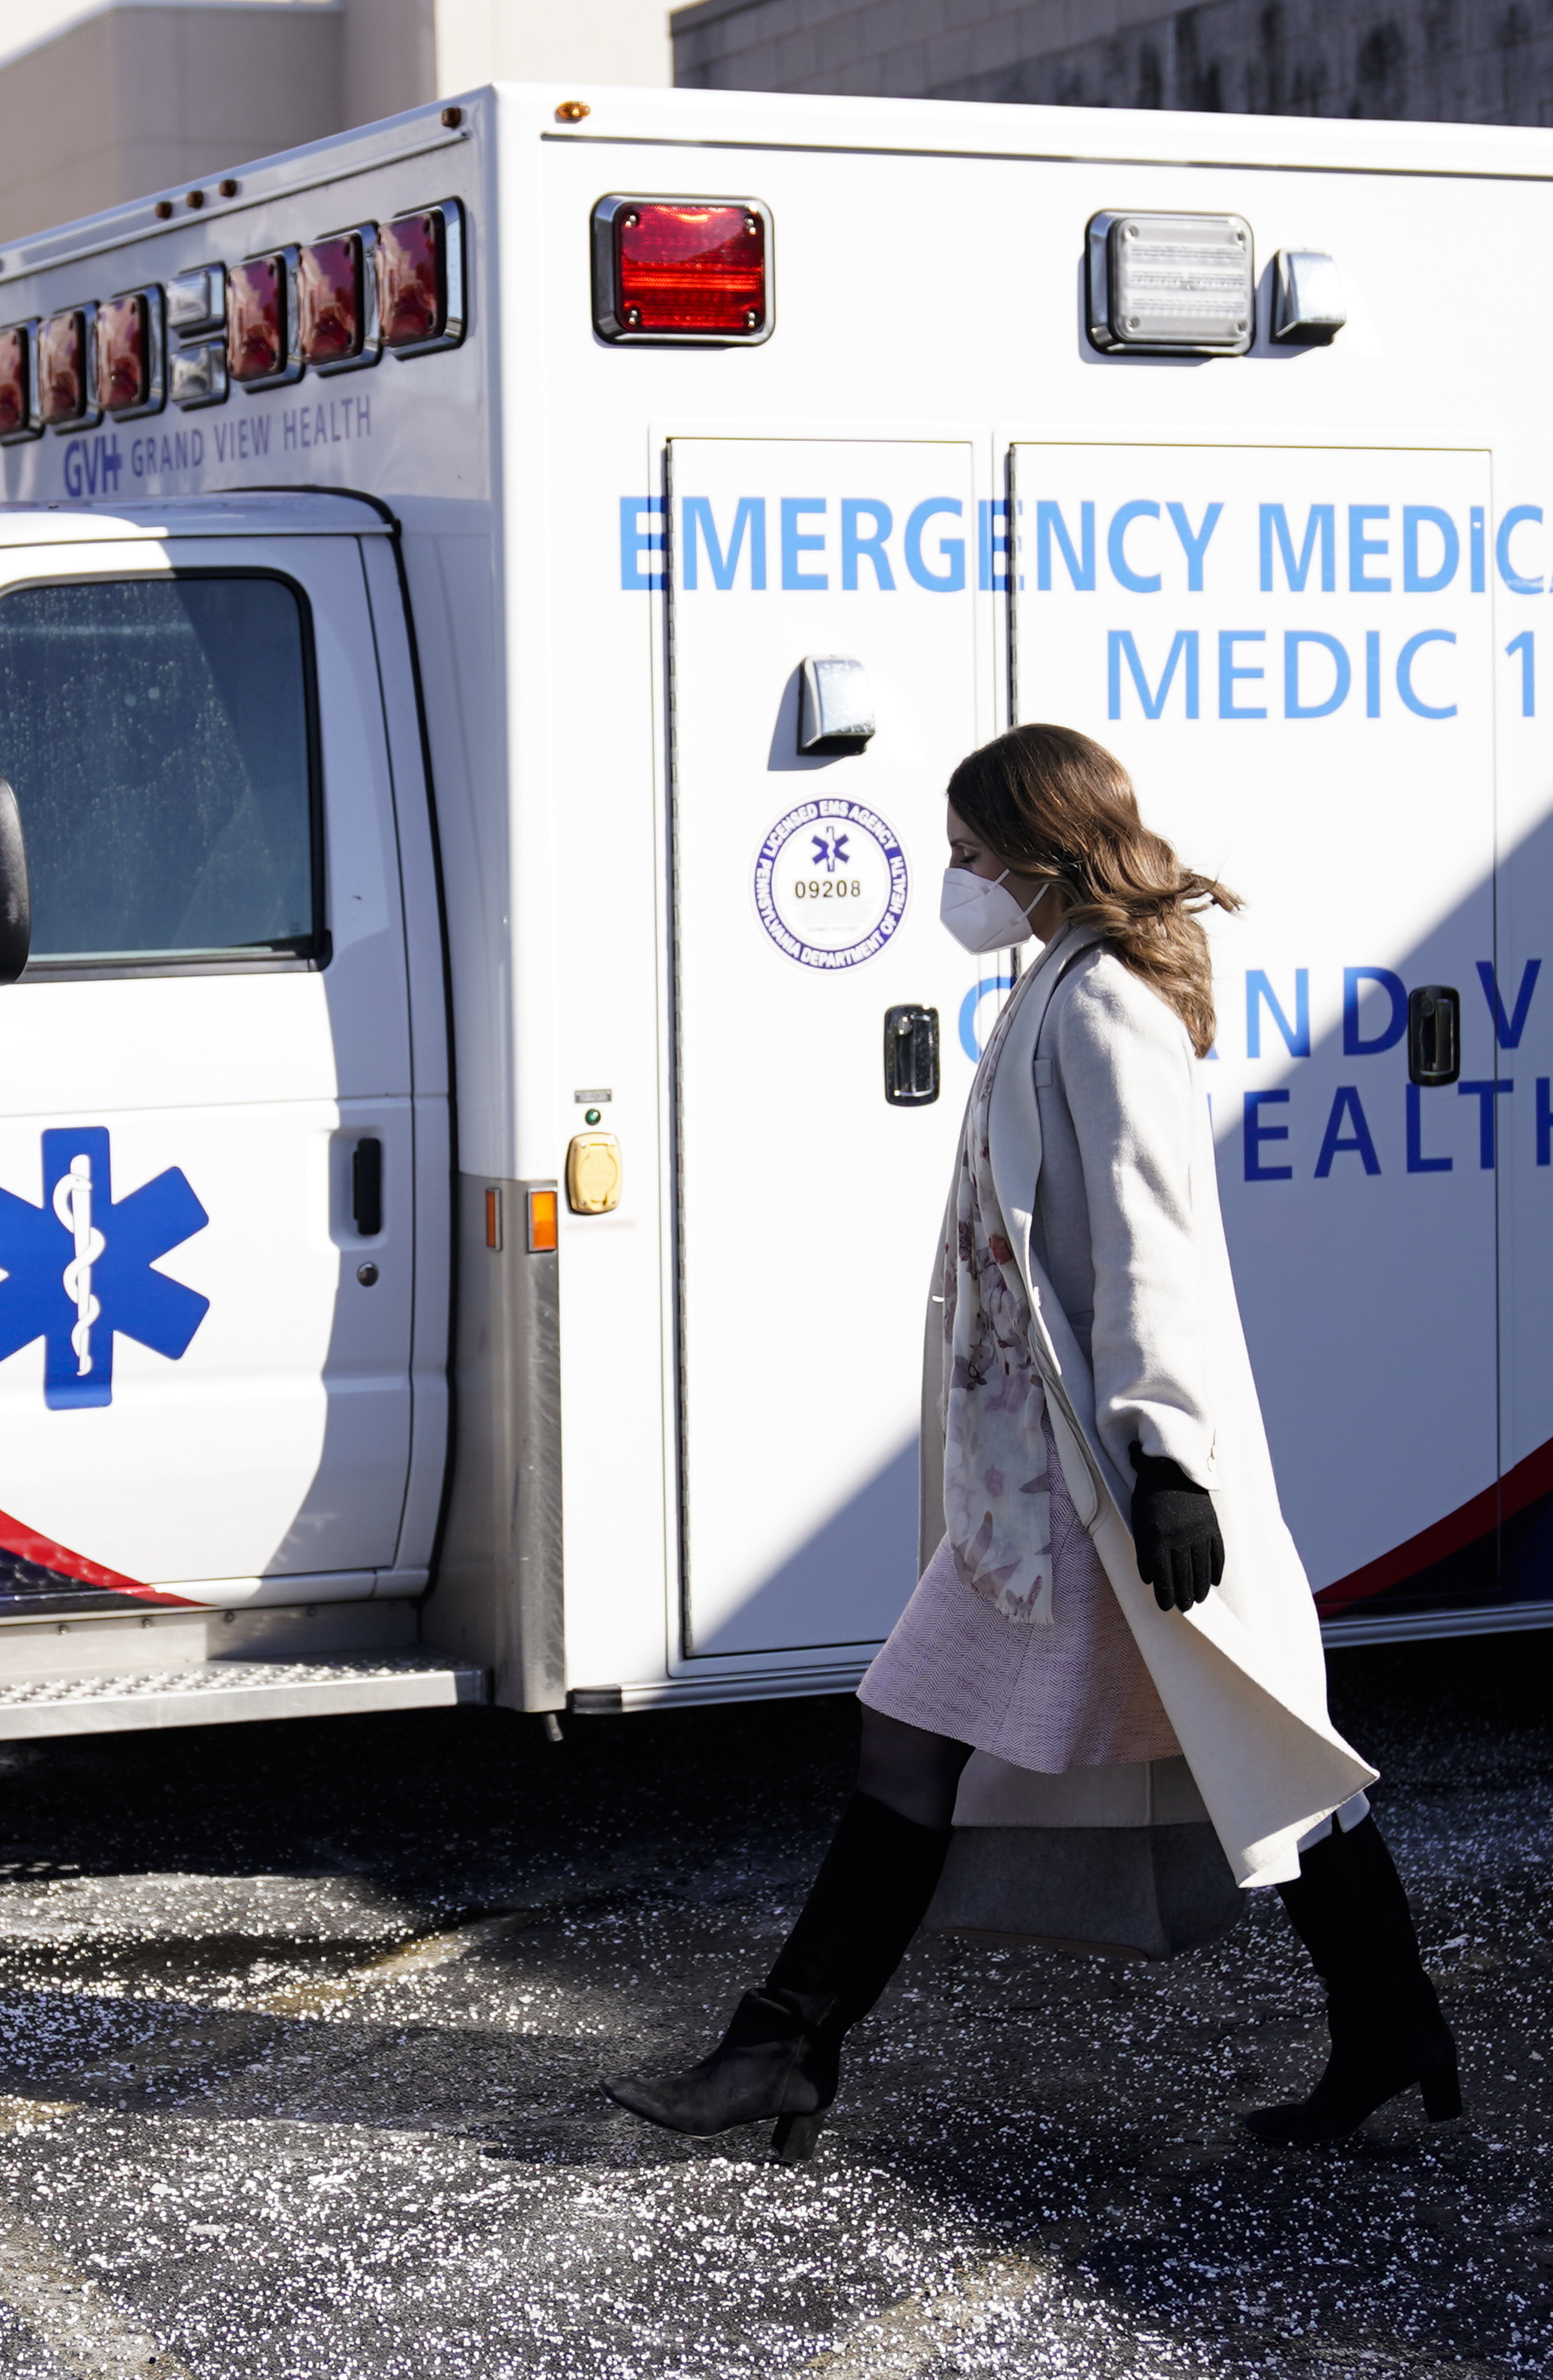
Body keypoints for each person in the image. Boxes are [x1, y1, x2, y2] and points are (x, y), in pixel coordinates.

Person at [607, 723, 1458, 2163]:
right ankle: (1388, 2022)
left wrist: (1172, 1460)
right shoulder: (1059, 983)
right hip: (1041, 1480)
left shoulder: (1104, 1002)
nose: (957, 882)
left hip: (1089, 1490)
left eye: (967, 856)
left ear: (1035, 853)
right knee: (1248, 1750)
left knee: (981, 1738)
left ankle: (785, 2046)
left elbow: (1153, 1252)